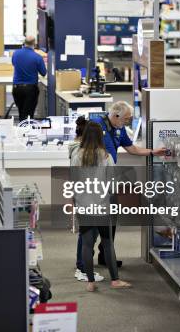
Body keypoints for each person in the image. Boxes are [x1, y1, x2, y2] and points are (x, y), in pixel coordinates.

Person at [91, 101, 167, 267]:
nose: (126, 122)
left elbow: (131, 148)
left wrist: (152, 152)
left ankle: (106, 255)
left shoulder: (119, 129)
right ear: (116, 115)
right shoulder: (96, 125)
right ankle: (83, 262)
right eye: (125, 119)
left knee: (111, 219)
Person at [70, 121, 131, 292]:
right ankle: (115, 280)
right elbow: (112, 185)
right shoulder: (106, 157)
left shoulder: (77, 155)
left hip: (84, 207)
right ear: (99, 137)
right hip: (102, 207)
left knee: (87, 245)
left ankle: (90, 282)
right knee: (107, 244)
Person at [69, 116, 105, 283]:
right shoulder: (104, 156)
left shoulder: (77, 154)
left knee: (85, 235)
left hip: (82, 199)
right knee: (92, 236)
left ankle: (81, 266)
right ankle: (83, 268)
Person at [12, 36, 47, 121]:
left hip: (17, 89)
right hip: (30, 89)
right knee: (28, 115)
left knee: (21, 113)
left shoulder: (16, 53)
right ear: (34, 44)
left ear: (24, 43)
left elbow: (14, 64)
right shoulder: (37, 57)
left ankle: (21, 131)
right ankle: (26, 132)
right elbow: (43, 73)